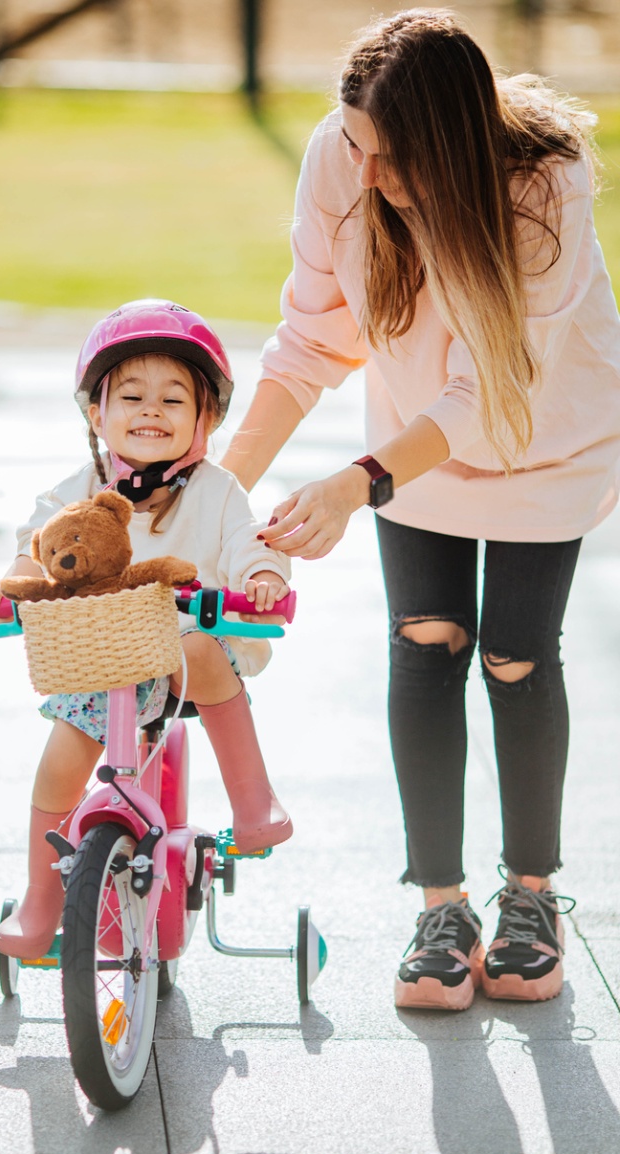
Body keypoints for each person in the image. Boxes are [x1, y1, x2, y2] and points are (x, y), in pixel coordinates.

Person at [221, 9, 620, 1010]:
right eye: (351, 142)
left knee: (513, 656)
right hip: (416, 446)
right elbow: (309, 339)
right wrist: (216, 492)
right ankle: (438, 907)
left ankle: (529, 897)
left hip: (543, 436)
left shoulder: (543, 183)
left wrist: (355, 483)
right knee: (426, 639)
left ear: (448, 145)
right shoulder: (342, 155)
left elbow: (490, 384)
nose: (359, 171)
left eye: (385, 153)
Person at [0, 299, 293, 960]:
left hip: (186, 659)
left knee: (197, 645)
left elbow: (253, 543)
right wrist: (0, 590)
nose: (151, 410)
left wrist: (264, 580)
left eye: (174, 399)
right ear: (98, 413)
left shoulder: (218, 490)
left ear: (206, 419)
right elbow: (35, 549)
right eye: (134, 396)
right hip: (101, 657)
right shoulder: (79, 489)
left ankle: (254, 804)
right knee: (60, 761)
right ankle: (40, 900)